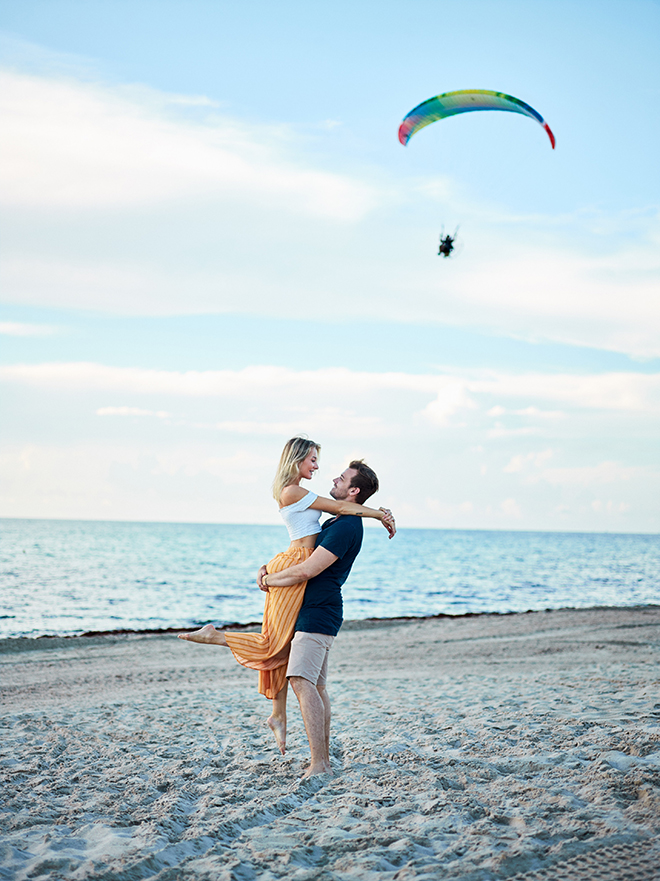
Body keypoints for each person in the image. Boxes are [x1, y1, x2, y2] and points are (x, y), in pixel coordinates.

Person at [178, 438, 395, 756]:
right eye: (313, 460)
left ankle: (280, 716)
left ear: (353, 489)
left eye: (339, 476)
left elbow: (338, 515)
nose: (322, 470)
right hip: (294, 569)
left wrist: (376, 514)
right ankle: (277, 711)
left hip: (301, 579)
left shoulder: (340, 521)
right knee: (276, 645)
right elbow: (339, 508)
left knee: (280, 649)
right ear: (296, 461)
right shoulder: (297, 494)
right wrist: (378, 514)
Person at [256, 458, 386, 777]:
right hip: (317, 609)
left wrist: (268, 581)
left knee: (301, 681)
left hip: (319, 611)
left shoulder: (345, 526)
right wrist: (269, 569)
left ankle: (319, 763)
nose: (335, 480)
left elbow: (309, 569)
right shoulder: (339, 522)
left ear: (353, 490)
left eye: (342, 479)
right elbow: (300, 554)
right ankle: (322, 759)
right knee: (315, 685)